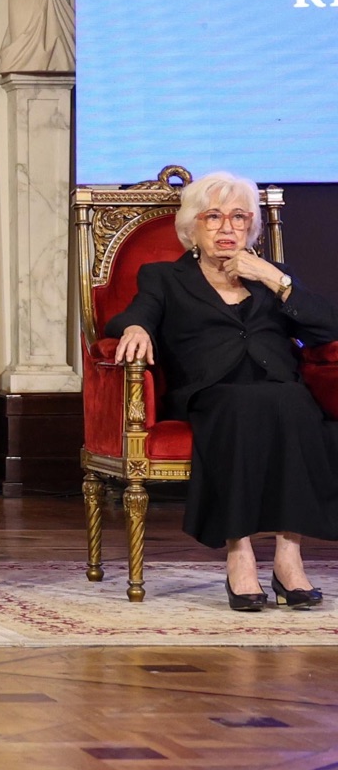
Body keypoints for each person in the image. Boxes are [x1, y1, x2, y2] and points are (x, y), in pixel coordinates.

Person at [107, 171, 338, 611]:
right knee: (245, 404)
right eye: (213, 217)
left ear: (251, 227)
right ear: (192, 226)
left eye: (238, 218)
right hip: (211, 391)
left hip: (277, 386)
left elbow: (328, 326)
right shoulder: (164, 277)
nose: (227, 228)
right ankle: (240, 553)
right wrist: (135, 326)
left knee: (293, 401)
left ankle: (289, 559)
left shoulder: (273, 276)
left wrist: (276, 279)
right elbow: (129, 315)